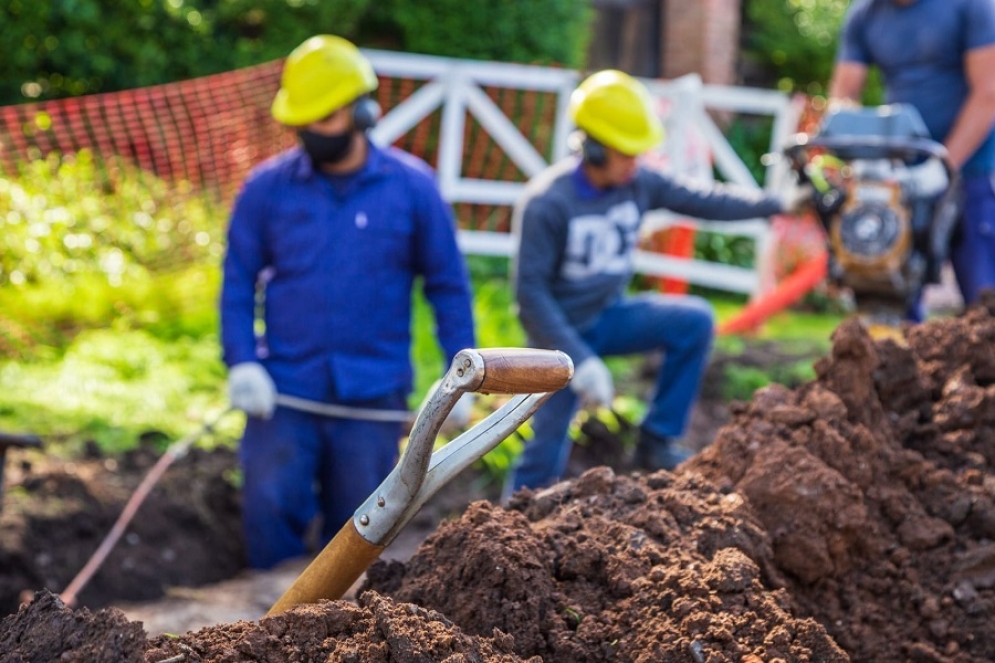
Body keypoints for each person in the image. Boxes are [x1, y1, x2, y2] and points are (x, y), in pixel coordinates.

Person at [220, 35, 476, 569]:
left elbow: (447, 285)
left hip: (372, 394)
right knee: (269, 504)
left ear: (363, 112)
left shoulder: (412, 190)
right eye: (303, 122)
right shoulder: (266, 190)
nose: (312, 133)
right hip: (286, 390)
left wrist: (466, 374)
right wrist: (243, 361)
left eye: (325, 120)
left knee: (360, 526)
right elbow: (239, 281)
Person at [505, 69, 808, 496]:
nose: (636, 162)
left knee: (694, 320)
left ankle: (657, 439)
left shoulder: (637, 183)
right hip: (557, 336)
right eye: (626, 153)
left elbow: (704, 199)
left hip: (610, 316)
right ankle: (508, 527)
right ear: (592, 148)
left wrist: (775, 205)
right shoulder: (546, 203)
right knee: (545, 448)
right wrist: (579, 360)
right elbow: (529, 297)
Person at [829, 0, 995, 309]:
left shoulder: (970, 6)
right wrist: (855, 156)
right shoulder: (865, 15)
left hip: (970, 173)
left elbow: (988, 93)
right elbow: (844, 95)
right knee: (889, 292)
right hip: (902, 179)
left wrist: (942, 166)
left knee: (985, 300)